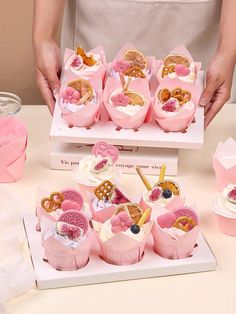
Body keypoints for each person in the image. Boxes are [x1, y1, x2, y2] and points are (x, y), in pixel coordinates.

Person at [33, 0, 236, 128]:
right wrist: (44, 36)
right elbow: (44, 36)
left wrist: (227, 51)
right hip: (101, 23)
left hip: (195, 27)